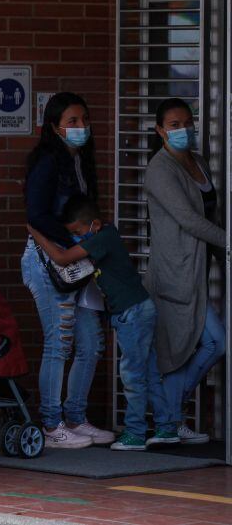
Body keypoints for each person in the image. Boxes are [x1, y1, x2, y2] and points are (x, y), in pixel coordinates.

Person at [28, 196, 176, 451]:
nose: (76, 237)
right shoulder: (105, 235)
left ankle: (135, 433)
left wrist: (37, 234)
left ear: (94, 224)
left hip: (132, 313)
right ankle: (166, 428)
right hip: (138, 310)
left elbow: (63, 258)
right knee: (149, 372)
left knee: (132, 375)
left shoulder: (102, 238)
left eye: (77, 232)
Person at [21, 92, 114, 448]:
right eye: (72, 121)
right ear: (54, 126)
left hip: (78, 262)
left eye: (85, 120)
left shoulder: (82, 163)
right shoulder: (47, 162)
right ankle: (51, 423)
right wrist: (77, 243)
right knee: (59, 342)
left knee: (91, 344)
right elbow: (37, 215)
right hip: (49, 262)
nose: (81, 128)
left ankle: (76, 417)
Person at [144, 97, 226, 445]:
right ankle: (170, 417)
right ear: (160, 130)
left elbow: (212, 211)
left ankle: (171, 416)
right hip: (175, 273)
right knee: (191, 345)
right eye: (174, 125)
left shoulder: (199, 162)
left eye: (187, 123)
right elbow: (188, 219)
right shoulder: (160, 169)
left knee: (209, 344)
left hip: (197, 270)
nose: (183, 130)